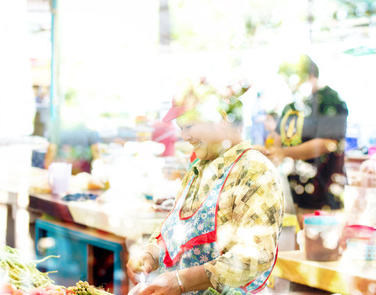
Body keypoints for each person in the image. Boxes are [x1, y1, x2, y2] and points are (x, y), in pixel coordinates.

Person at [126, 79, 285, 295]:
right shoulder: (198, 170)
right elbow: (174, 228)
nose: (185, 137)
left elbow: (256, 254)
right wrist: (151, 253)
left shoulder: (254, 170)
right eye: (181, 128)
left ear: (220, 117)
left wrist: (181, 281)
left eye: (190, 126)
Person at [265, 55, 348, 228]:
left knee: (318, 247)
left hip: (324, 192)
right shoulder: (291, 106)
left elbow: (327, 144)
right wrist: (270, 149)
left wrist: (283, 152)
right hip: (290, 192)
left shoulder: (330, 100)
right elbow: (277, 138)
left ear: (310, 76)